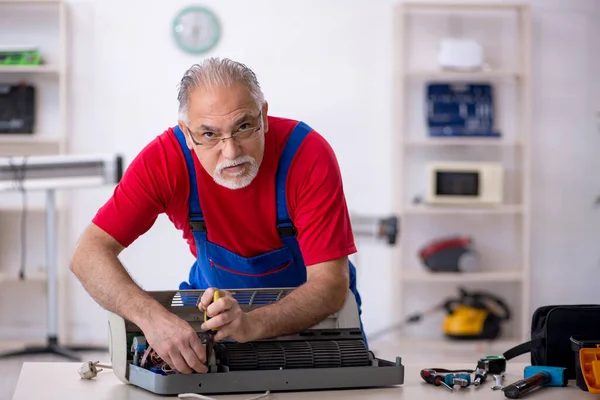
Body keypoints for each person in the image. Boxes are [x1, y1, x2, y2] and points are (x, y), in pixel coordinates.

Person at [69, 57, 364, 376]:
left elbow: (331, 285)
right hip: (214, 330)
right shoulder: (166, 162)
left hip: (316, 331)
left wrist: (252, 324)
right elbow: (88, 255)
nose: (232, 151)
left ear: (263, 116)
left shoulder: (307, 154)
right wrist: (153, 319)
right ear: (187, 133)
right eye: (209, 134)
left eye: (244, 127)